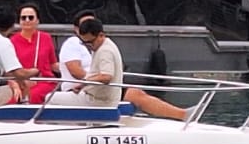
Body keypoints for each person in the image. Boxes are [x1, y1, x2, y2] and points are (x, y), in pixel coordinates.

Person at [58, 18, 190, 119]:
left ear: (100, 35)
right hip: (96, 90)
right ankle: (182, 114)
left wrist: (83, 84)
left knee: (49, 98)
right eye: (84, 43)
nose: (88, 46)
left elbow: (106, 76)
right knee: (137, 94)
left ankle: (183, 114)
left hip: (98, 94)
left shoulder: (104, 51)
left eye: (90, 42)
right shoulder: (95, 45)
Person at [8, 2, 59, 104]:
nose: (27, 20)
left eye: (31, 17)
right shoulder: (12, 41)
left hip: (44, 81)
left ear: (37, 20)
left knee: (33, 96)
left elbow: (53, 64)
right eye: (23, 18)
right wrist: (15, 86)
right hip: (20, 82)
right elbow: (8, 70)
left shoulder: (46, 37)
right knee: (13, 100)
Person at [56, 10, 95, 94]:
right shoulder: (72, 43)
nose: (90, 28)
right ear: (76, 29)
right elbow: (76, 72)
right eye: (85, 25)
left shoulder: (97, 45)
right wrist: (96, 81)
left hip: (94, 88)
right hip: (76, 90)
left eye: (92, 24)